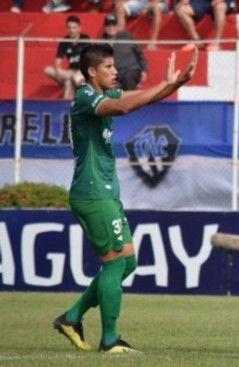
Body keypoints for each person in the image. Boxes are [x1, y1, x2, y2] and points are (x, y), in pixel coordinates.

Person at [53, 44, 198, 353]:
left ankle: (73, 316)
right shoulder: (85, 96)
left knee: (127, 262)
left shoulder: (104, 95)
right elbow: (122, 109)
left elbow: (134, 100)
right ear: (92, 72)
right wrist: (166, 86)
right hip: (92, 191)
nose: (116, 71)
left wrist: (172, 84)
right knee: (115, 263)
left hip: (106, 191)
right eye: (109, 67)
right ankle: (109, 341)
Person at [44, 15, 90, 99]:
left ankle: (87, 92)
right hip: (70, 71)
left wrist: (73, 74)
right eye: (69, 28)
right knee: (48, 70)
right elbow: (57, 62)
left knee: (73, 80)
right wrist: (60, 71)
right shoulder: (64, 42)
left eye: (74, 28)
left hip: (82, 71)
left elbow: (89, 61)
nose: (71, 30)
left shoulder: (85, 39)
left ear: (79, 28)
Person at [100, 14, 148, 91]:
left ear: (117, 26)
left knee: (128, 77)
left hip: (130, 70)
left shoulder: (127, 37)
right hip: (112, 73)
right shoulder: (101, 42)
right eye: (108, 25)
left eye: (113, 25)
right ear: (105, 27)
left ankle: (130, 102)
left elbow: (140, 54)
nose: (111, 28)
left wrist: (144, 70)